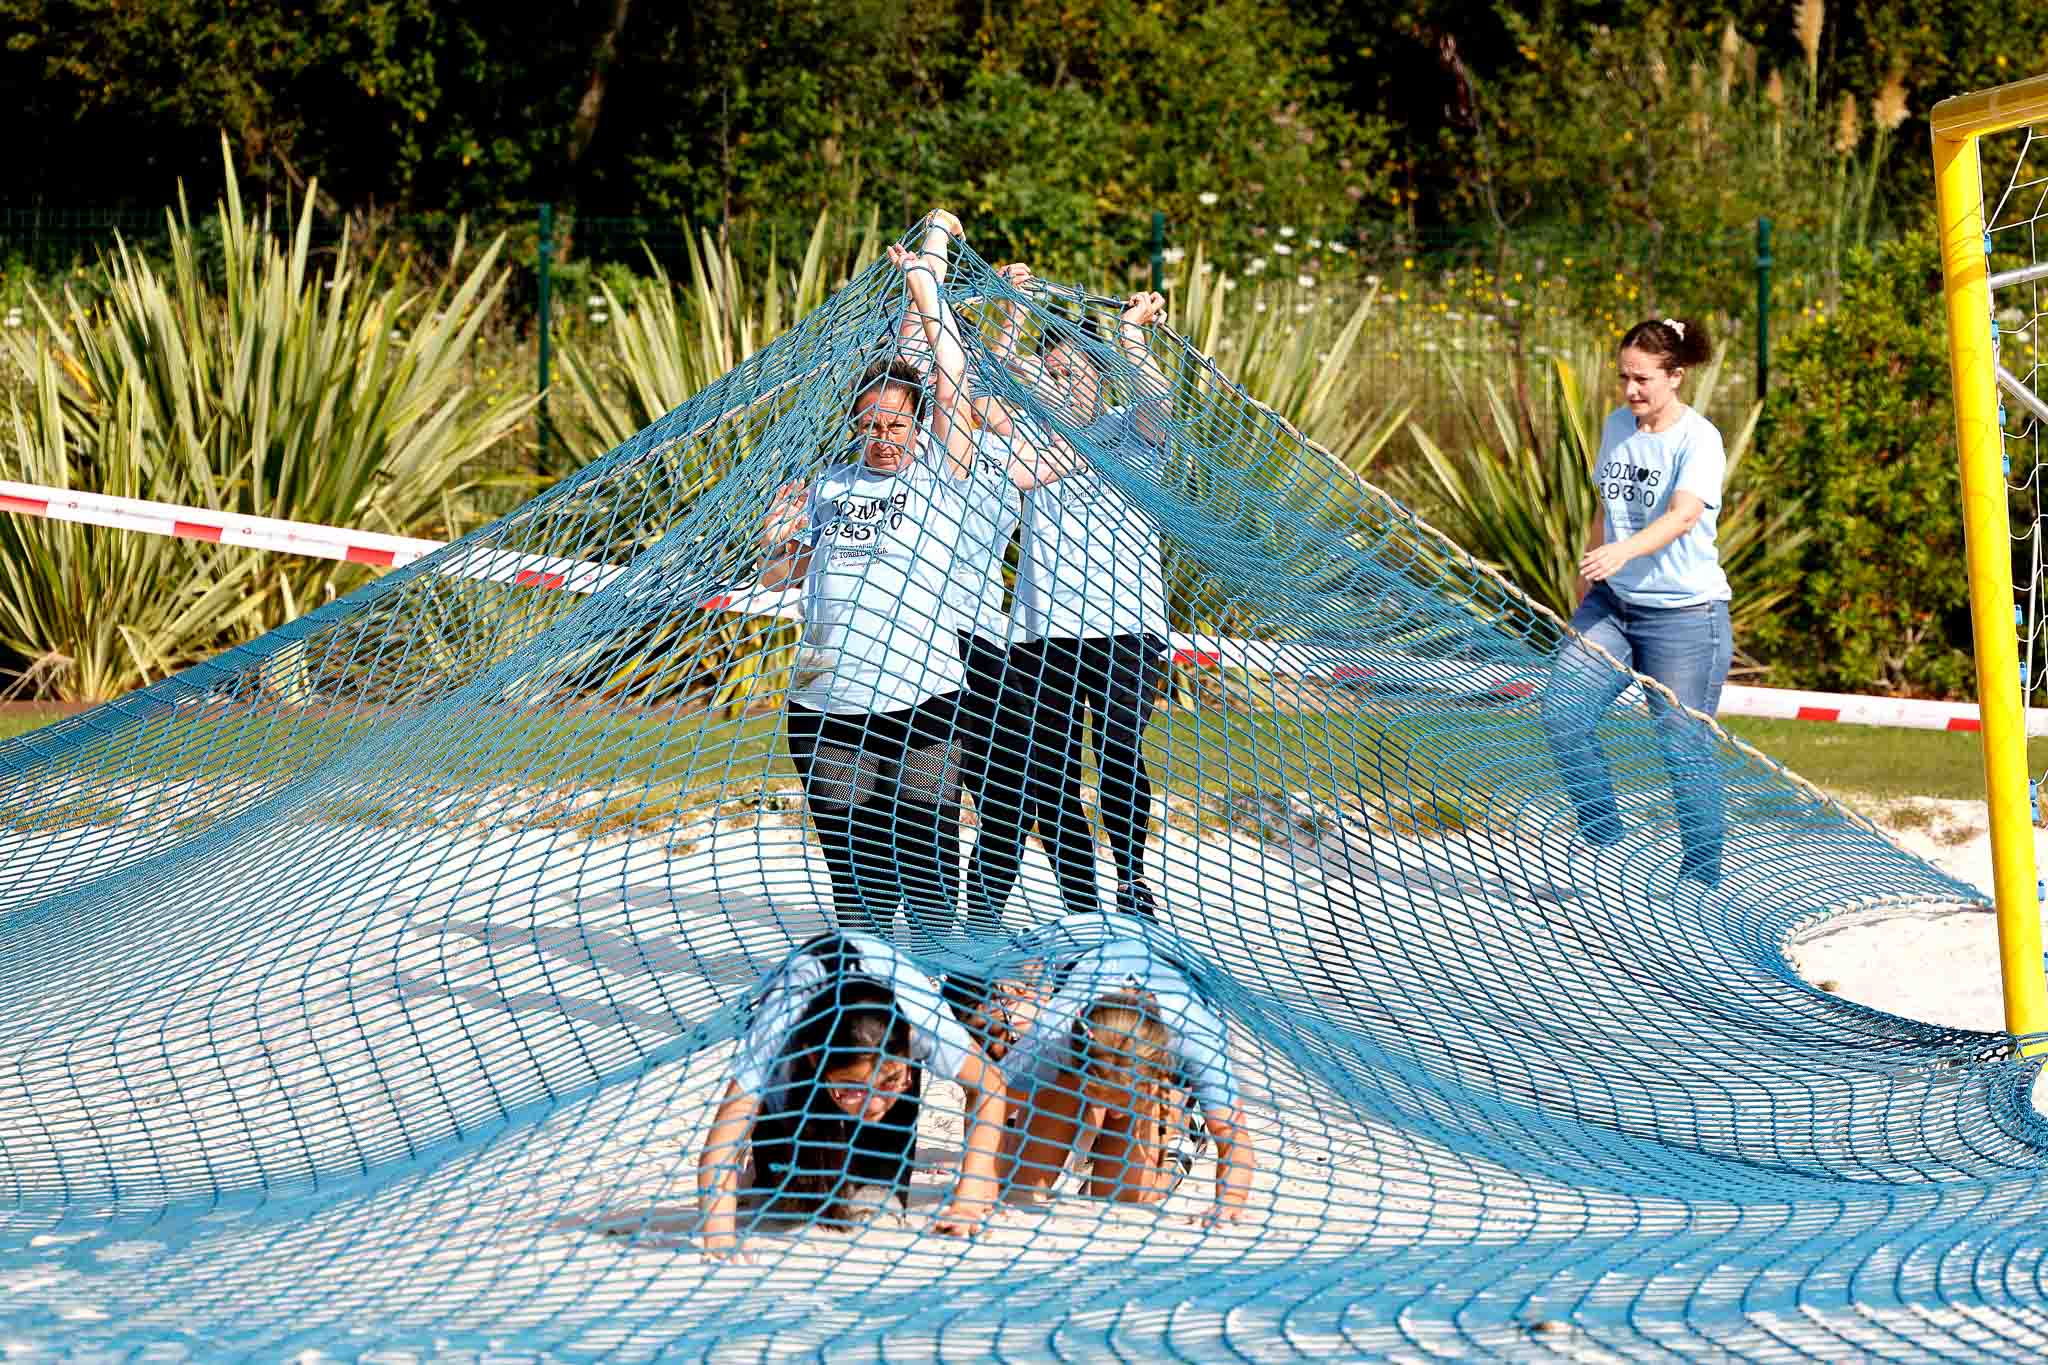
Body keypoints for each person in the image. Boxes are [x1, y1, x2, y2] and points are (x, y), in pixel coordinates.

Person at [758, 211, 1072, 939]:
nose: (884, 437)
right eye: (870, 425)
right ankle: (868, 1009)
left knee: (926, 872)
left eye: (897, 425)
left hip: (923, 706)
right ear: (853, 426)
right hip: (825, 707)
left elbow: (950, 373)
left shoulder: (943, 473)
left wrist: (927, 279)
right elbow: (785, 575)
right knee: (855, 878)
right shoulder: (829, 485)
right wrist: (776, 541)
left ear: (921, 426)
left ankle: (943, 1009)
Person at [966, 273, 1177, 924]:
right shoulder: (1032, 437)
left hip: (1126, 628)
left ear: (1100, 373)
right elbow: (984, 378)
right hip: (1041, 633)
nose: (1060, 384)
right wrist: (1005, 304)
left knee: (1117, 750)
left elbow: (1157, 394)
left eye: (1072, 373)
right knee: (1049, 771)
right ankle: (1082, 903)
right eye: (1050, 373)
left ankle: (1131, 879)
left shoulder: (1134, 433)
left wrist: (1130, 336)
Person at [1540, 316, 1732, 890]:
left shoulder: (1700, 439)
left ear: (1676, 377)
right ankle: (1601, 841)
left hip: (1686, 618)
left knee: (1681, 745)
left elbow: (1683, 514)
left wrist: (1621, 554)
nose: (1630, 390)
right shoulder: (1615, 426)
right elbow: (1606, 507)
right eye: (1624, 376)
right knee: (1562, 715)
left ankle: (1701, 880)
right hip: (1612, 606)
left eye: (1643, 379)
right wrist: (1591, 573)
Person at [694, 932, 1008, 1257]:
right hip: (799, 1062)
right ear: (815, 1061)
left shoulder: (923, 1023)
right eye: (852, 1089)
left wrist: (969, 1196)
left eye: (889, 1082)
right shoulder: (777, 1040)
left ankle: (875, 1102)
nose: (873, 1105)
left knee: (877, 1212)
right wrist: (720, 1243)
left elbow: (991, 1086)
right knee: (786, 1208)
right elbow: (721, 1146)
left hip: (883, 999)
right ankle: (773, 1162)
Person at [992, 936, 1254, 1226]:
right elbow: (988, 1100)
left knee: (1119, 1194)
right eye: (1102, 1096)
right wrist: (975, 1185)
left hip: (1170, 1022)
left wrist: (1229, 1203)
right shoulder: (1056, 1033)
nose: (1114, 1113)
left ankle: (1181, 1134)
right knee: (1023, 1184)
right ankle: (1096, 1105)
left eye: (1120, 1102)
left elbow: (1234, 1139)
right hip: (1092, 987)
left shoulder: (1196, 1037)